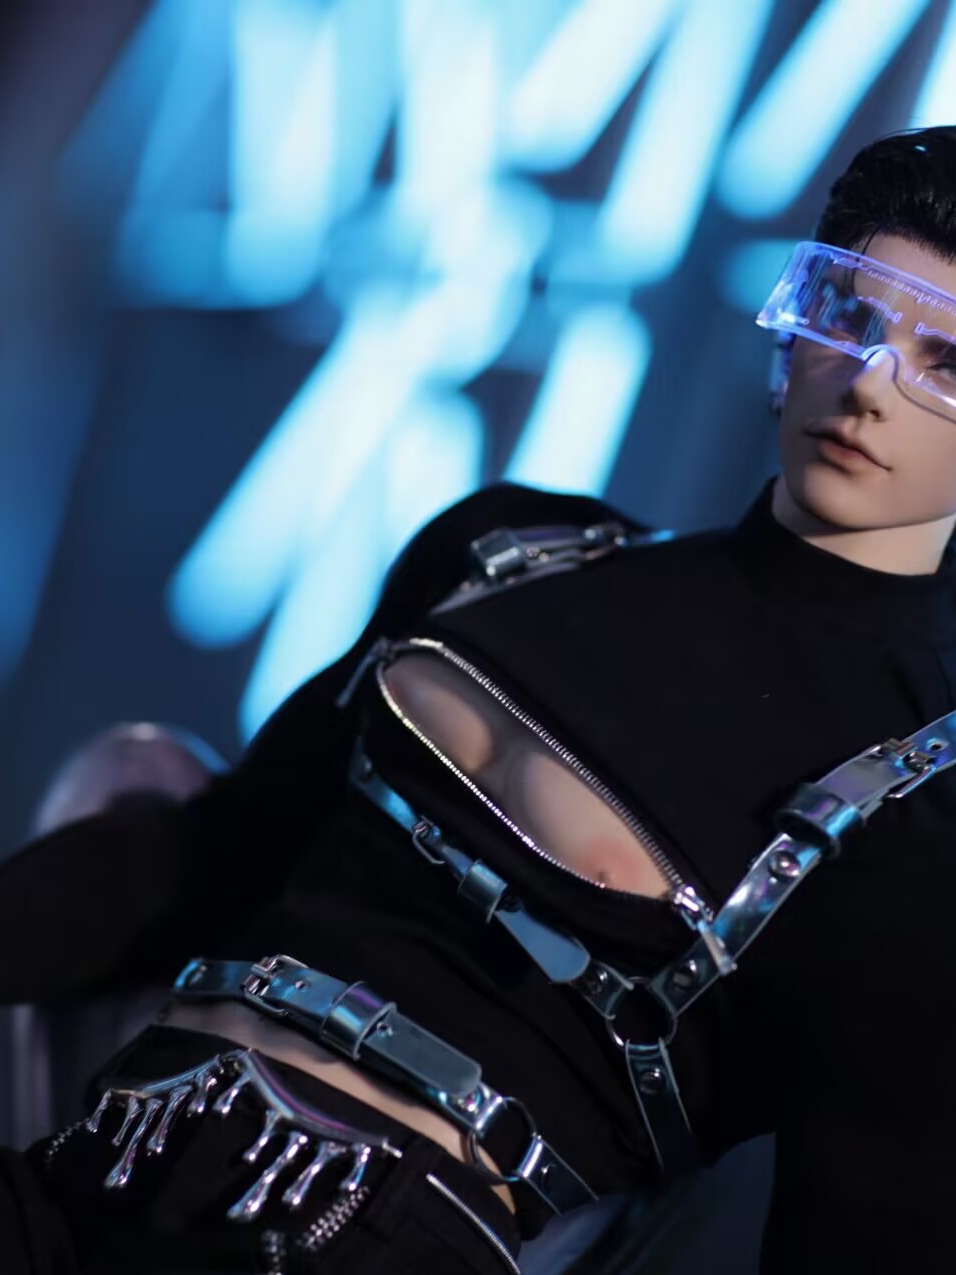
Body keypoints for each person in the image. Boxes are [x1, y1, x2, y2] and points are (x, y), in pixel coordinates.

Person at [3, 124, 956, 1274]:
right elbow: (210, 856)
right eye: (846, 317)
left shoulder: (916, 810)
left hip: (368, 1240)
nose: (867, 386)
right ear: (790, 325)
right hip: (105, 1153)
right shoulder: (515, 551)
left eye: (943, 363)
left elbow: (863, 1223)